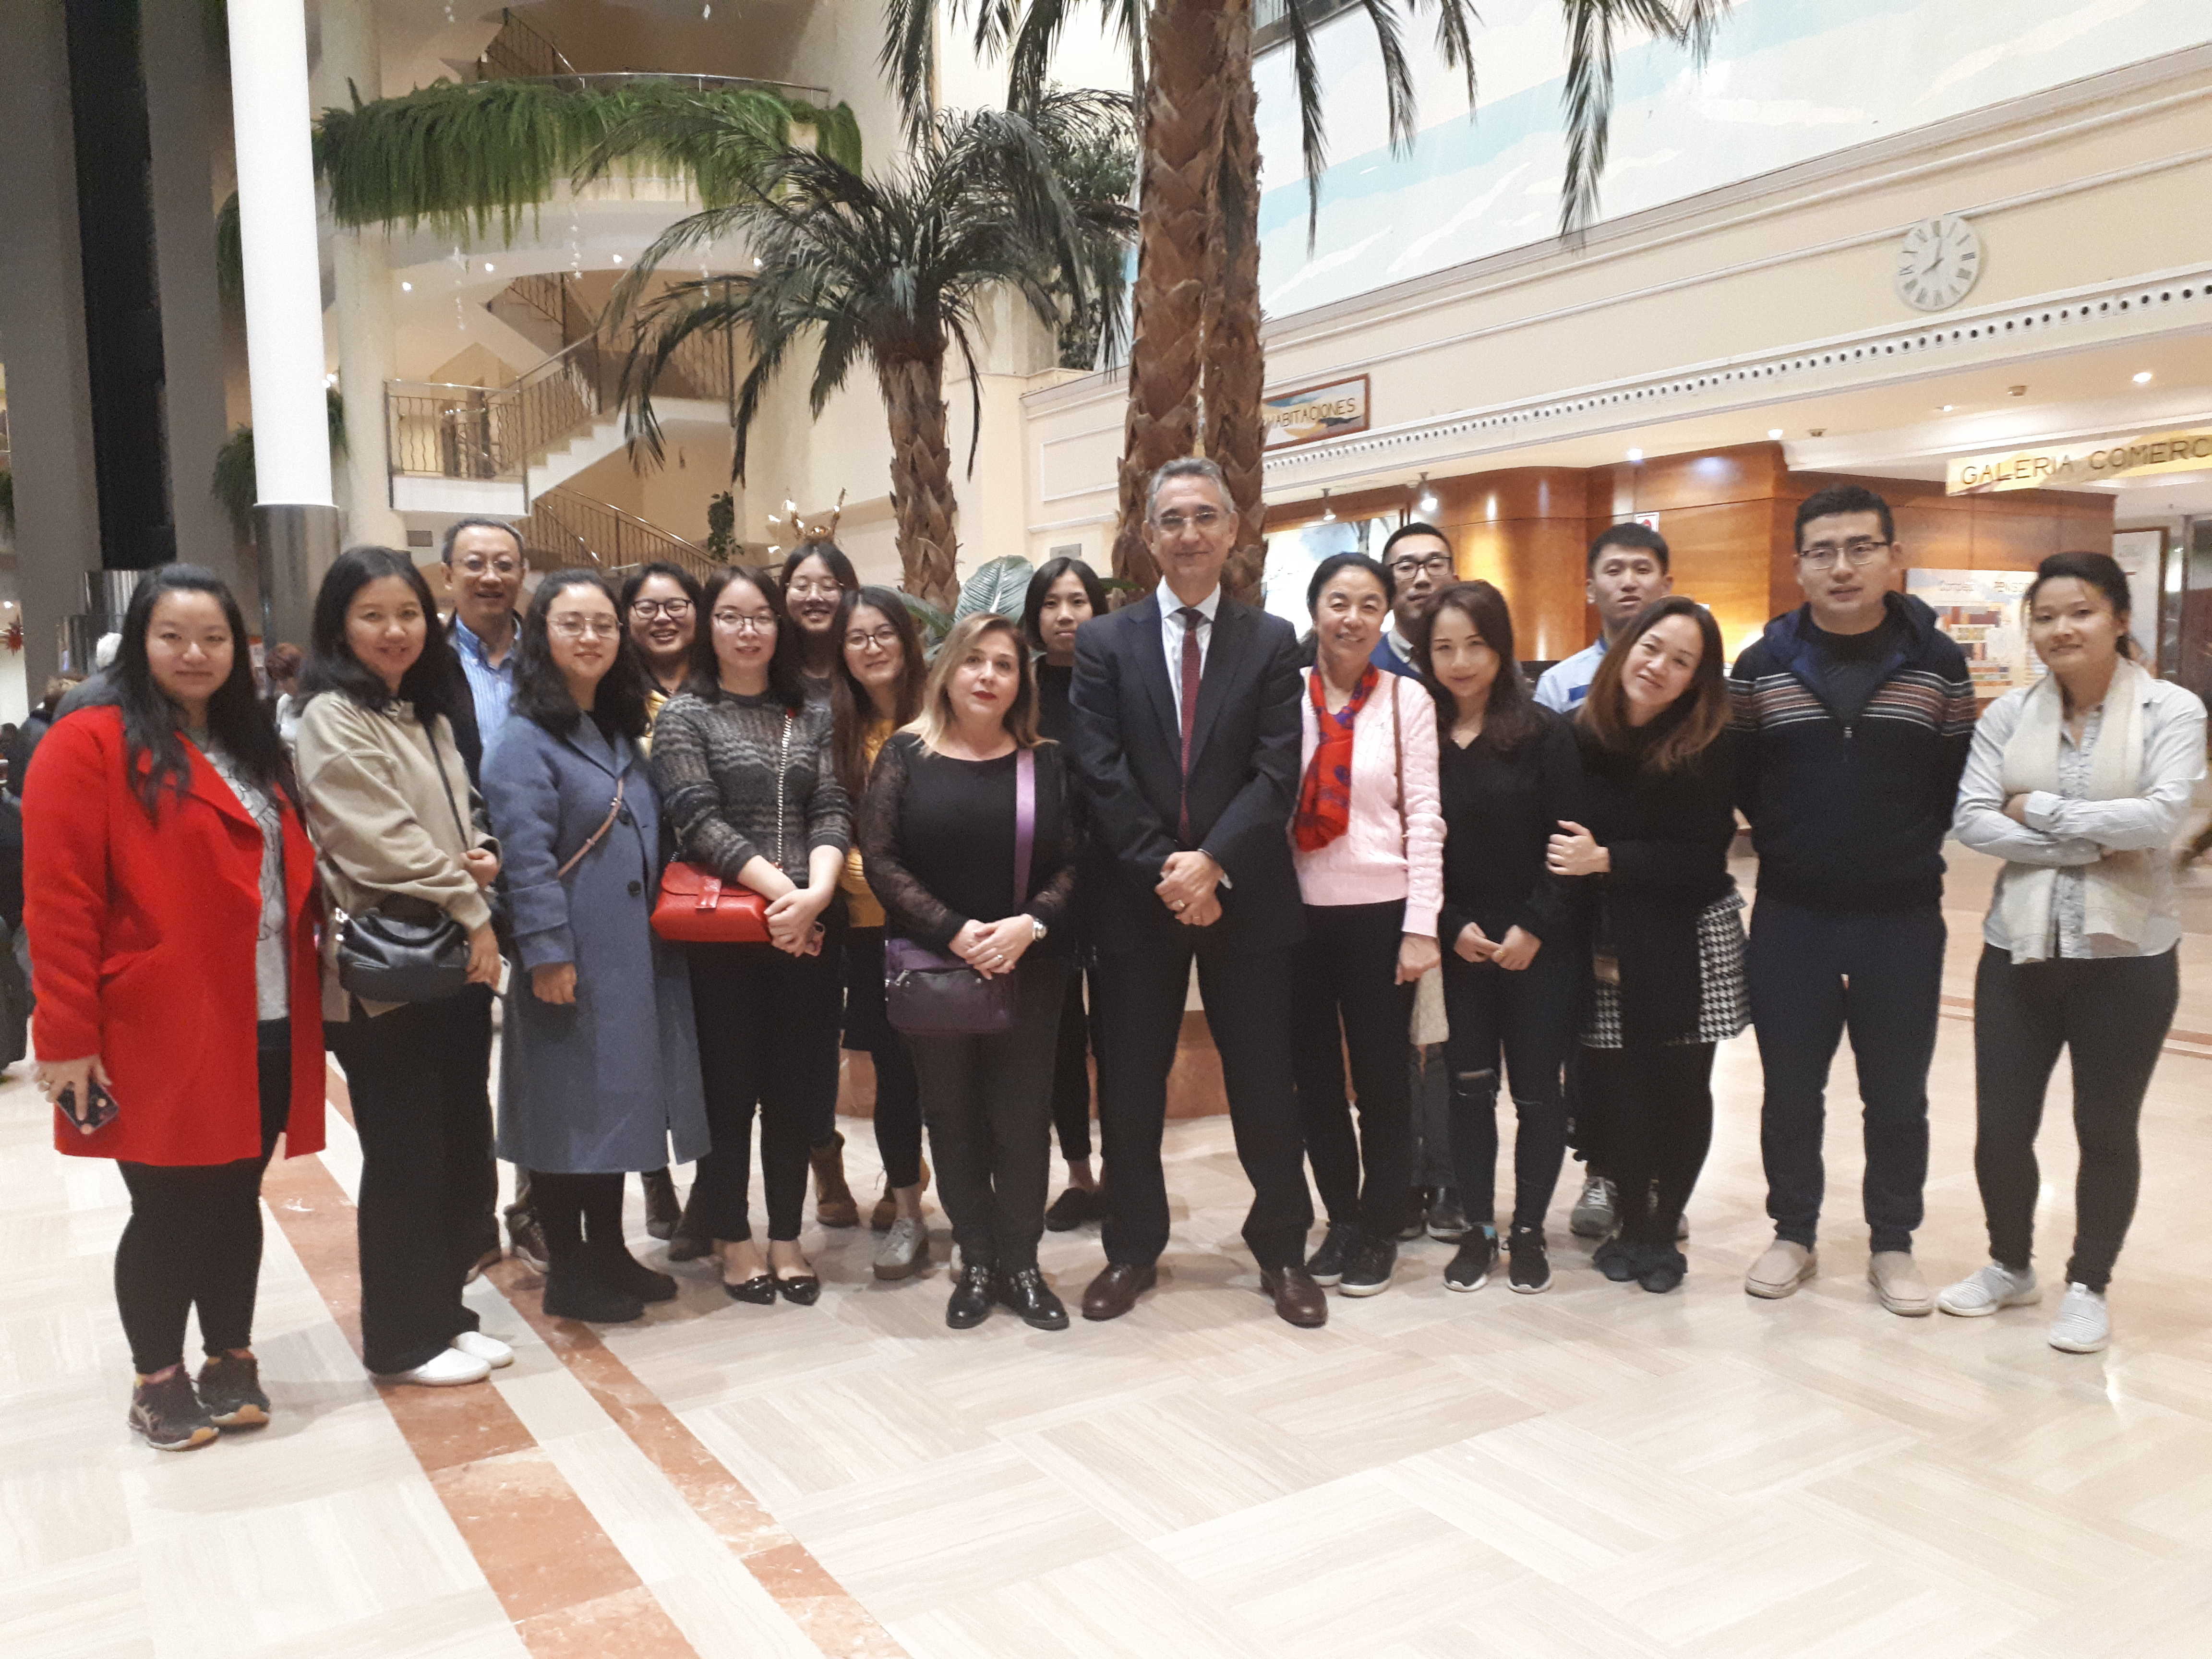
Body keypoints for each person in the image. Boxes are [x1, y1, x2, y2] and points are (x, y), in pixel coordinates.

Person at [25, 567, 325, 1450]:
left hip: (265, 1012)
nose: (195, 654)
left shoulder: (249, 743)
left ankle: (230, 1357)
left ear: (240, 651)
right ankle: (158, 1377)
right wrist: (68, 1038)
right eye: (173, 637)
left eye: (214, 639)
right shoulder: (87, 744)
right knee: (169, 1206)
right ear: (139, 645)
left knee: (236, 1195)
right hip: (156, 1024)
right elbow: (59, 900)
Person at [1068, 456, 1325, 1328]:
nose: (1188, 533)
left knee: (1263, 1081)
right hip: (1134, 898)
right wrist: (1170, 873)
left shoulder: (1271, 640)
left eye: (1204, 517)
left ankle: (1282, 1250)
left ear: (1233, 531)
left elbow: (1275, 772)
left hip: (1245, 894)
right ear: (1147, 536)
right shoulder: (1104, 643)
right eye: (1171, 519)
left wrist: (1211, 865)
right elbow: (1098, 773)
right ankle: (1132, 1248)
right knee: (1133, 1085)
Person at [1942, 553, 2205, 1354]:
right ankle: (2008, 1264)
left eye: (2081, 611)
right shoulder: (2005, 717)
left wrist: (2044, 810)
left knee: (2104, 1127)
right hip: (2015, 949)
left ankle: (2088, 1283)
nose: (2061, 628)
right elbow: (1971, 819)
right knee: (1999, 1127)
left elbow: (2159, 818)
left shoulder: (2170, 709)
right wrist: (2084, 843)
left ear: (2118, 618)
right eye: (2047, 615)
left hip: (2126, 958)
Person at [1731, 484, 1976, 1315]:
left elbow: (1952, 784)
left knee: (1896, 1092)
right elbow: (1738, 777)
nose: (1841, 566)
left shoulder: (1938, 663)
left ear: (1890, 557)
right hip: (1791, 912)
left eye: (1859, 548)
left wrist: (1897, 849)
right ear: (1798, 565)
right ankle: (1792, 1229)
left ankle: (1891, 1242)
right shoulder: (1761, 665)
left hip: (1900, 913)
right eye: (1822, 551)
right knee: (1790, 1087)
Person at [295, 547, 509, 1387]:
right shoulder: (331, 716)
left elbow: (461, 815)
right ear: (340, 627)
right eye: (373, 616)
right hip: (392, 969)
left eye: (409, 615)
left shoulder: (420, 712)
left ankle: (445, 1315)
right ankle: (398, 1337)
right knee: (404, 1152)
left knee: (457, 1141)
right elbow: (376, 841)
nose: (394, 632)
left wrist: (482, 853)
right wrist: (472, 906)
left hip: (451, 960)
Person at [482, 571, 710, 1323]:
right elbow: (527, 857)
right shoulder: (523, 742)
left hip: (632, 960)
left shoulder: (615, 732)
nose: (590, 638)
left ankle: (609, 1250)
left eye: (603, 626)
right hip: (571, 958)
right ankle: (571, 1271)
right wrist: (548, 954)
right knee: (563, 1115)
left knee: (615, 1109)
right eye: (572, 624)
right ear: (542, 636)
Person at [858, 614, 1082, 1329]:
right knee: (950, 1119)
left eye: (1005, 665)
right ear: (948, 671)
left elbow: (1078, 861)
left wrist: (1030, 924)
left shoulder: (1046, 761)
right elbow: (882, 860)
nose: (988, 676)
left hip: (1032, 967)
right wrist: (956, 932)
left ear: (1023, 682)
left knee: (1022, 1122)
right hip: (935, 968)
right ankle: (978, 1260)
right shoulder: (906, 754)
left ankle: (1022, 1262)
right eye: (974, 661)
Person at [653, 566, 851, 1307]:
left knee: (796, 1091)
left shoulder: (812, 710)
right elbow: (697, 821)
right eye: (731, 617)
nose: (748, 630)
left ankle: (788, 1237)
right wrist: (783, 897)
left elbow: (832, 804)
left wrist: (819, 896)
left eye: (761, 617)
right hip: (725, 934)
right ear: (710, 627)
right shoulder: (686, 715)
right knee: (731, 1091)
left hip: (806, 928)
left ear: (781, 626)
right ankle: (734, 1236)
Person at [1550, 596, 1742, 1295]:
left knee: (1681, 1089)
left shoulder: (1709, 743)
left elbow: (1703, 861)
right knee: (1615, 1093)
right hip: (1603, 942)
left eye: (1682, 660)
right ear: (1627, 647)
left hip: (1685, 937)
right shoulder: (1575, 736)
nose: (1660, 667)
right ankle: (1631, 1220)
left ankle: (1664, 1231)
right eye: (1652, 648)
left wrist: (1609, 861)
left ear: (1698, 679)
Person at [1415, 581, 1584, 1294]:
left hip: (1539, 946)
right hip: (1461, 947)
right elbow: (1415, 846)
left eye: (1475, 645)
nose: (1459, 662)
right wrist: (1451, 928)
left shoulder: (1546, 733)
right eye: (1444, 647)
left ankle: (1528, 1232)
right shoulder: (1418, 736)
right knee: (1469, 1090)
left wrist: (1535, 928)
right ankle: (1481, 1230)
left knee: (1540, 1094)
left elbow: (1572, 843)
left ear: (1502, 647)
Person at [1287, 553, 1443, 1298]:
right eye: (1338, 602)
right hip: (1297, 915)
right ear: (1315, 609)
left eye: (1368, 605)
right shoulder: (1283, 696)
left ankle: (1382, 1226)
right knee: (1314, 1080)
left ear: (1384, 618)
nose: (1352, 618)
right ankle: (1341, 1218)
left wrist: (1423, 926)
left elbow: (1426, 819)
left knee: (1382, 1082)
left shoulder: (1407, 700)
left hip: (1383, 914)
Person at [1533, 521, 1673, 1241]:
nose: (1629, 582)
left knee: (1663, 1045)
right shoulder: (1560, 684)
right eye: (1613, 570)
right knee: (1590, 1045)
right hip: (1582, 896)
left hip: (1660, 892)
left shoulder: (1689, 676)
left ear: (1665, 583)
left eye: (1643, 569)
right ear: (1590, 589)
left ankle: (1655, 1180)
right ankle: (1599, 1171)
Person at [437, 517, 546, 1277]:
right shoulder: (423, 660)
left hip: (546, 872)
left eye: (504, 564)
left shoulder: (551, 654)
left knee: (546, 1050)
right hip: (458, 881)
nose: (490, 577)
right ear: (448, 575)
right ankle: (471, 1220)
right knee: (461, 1057)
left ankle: (537, 1206)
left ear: (522, 573)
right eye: (474, 564)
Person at [830, 586, 932, 1279]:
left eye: (882, 633)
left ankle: (976, 1209)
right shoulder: (833, 728)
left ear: (906, 638)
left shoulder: (941, 717)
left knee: (955, 1078)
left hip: (942, 927)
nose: (871, 647)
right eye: (856, 637)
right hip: (864, 934)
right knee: (895, 1077)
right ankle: (908, 1209)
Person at [1375, 524, 1461, 1239]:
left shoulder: (1478, 658)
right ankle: (1404, 1179)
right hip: (1387, 882)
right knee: (1399, 1045)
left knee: (1457, 1043)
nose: (1422, 576)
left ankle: (1454, 1179)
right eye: (1406, 566)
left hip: (1467, 885)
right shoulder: (1356, 663)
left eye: (1435, 562)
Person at [619, 560, 708, 1244]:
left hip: (717, 882)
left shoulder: (721, 684)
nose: (662, 618)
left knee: (710, 1045)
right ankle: (654, 1176)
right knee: (647, 1041)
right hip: (638, 884)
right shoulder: (611, 694)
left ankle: (711, 1186)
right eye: (646, 608)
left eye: (675, 604)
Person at [779, 540, 864, 1229]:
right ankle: (822, 1160)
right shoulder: (766, 673)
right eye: (801, 584)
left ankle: (902, 1172)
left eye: (828, 583)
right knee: (805, 1035)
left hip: (871, 881)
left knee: (871, 1032)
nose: (815, 596)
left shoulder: (864, 663)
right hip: (792, 880)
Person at [1025, 554, 1111, 1230]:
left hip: (1115, 880)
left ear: (1097, 609)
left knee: (1118, 1036)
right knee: (1058, 1037)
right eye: (1051, 602)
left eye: (1077, 601)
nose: (1064, 616)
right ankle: (1078, 1176)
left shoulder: (1120, 680)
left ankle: (1122, 1172)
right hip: (1041, 885)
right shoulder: (1018, 686)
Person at [1372, 522, 1455, 678]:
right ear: (1386, 587)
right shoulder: (1361, 668)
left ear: (1456, 582)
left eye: (1436, 565)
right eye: (1406, 567)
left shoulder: (1485, 665)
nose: (1422, 579)